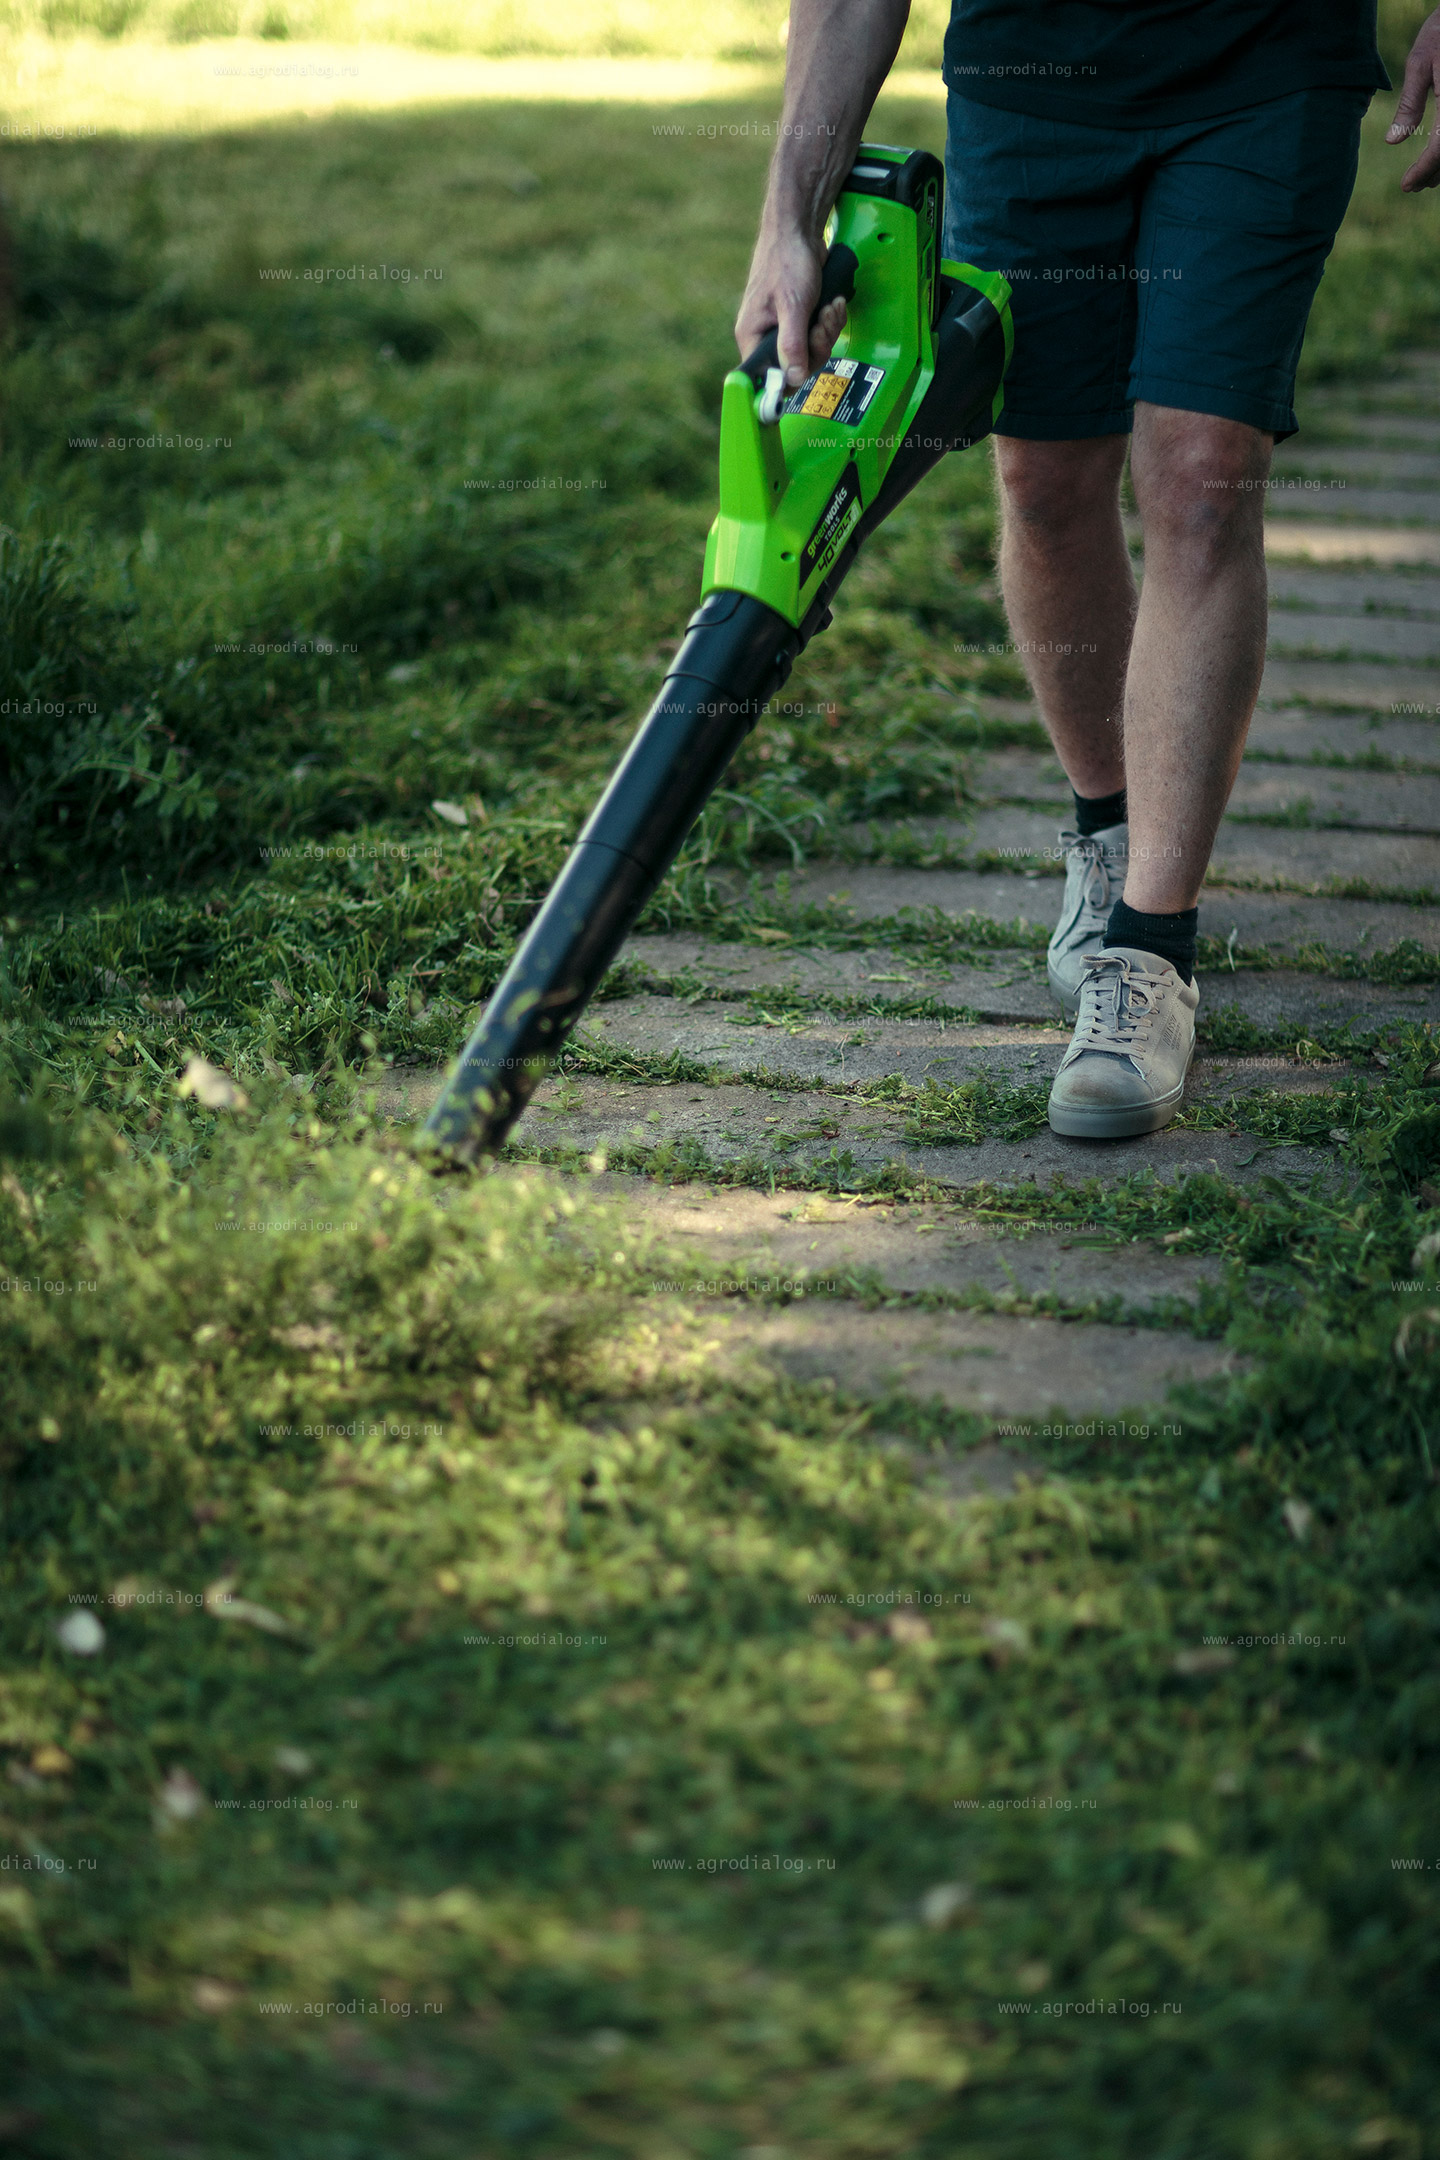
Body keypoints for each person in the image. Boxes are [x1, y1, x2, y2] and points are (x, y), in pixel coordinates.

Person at [736, 0, 1430, 1138]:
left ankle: (1149, 949)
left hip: (1268, 63)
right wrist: (787, 222)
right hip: (1031, 80)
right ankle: (1108, 836)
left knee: (1202, 480)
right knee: (1044, 479)